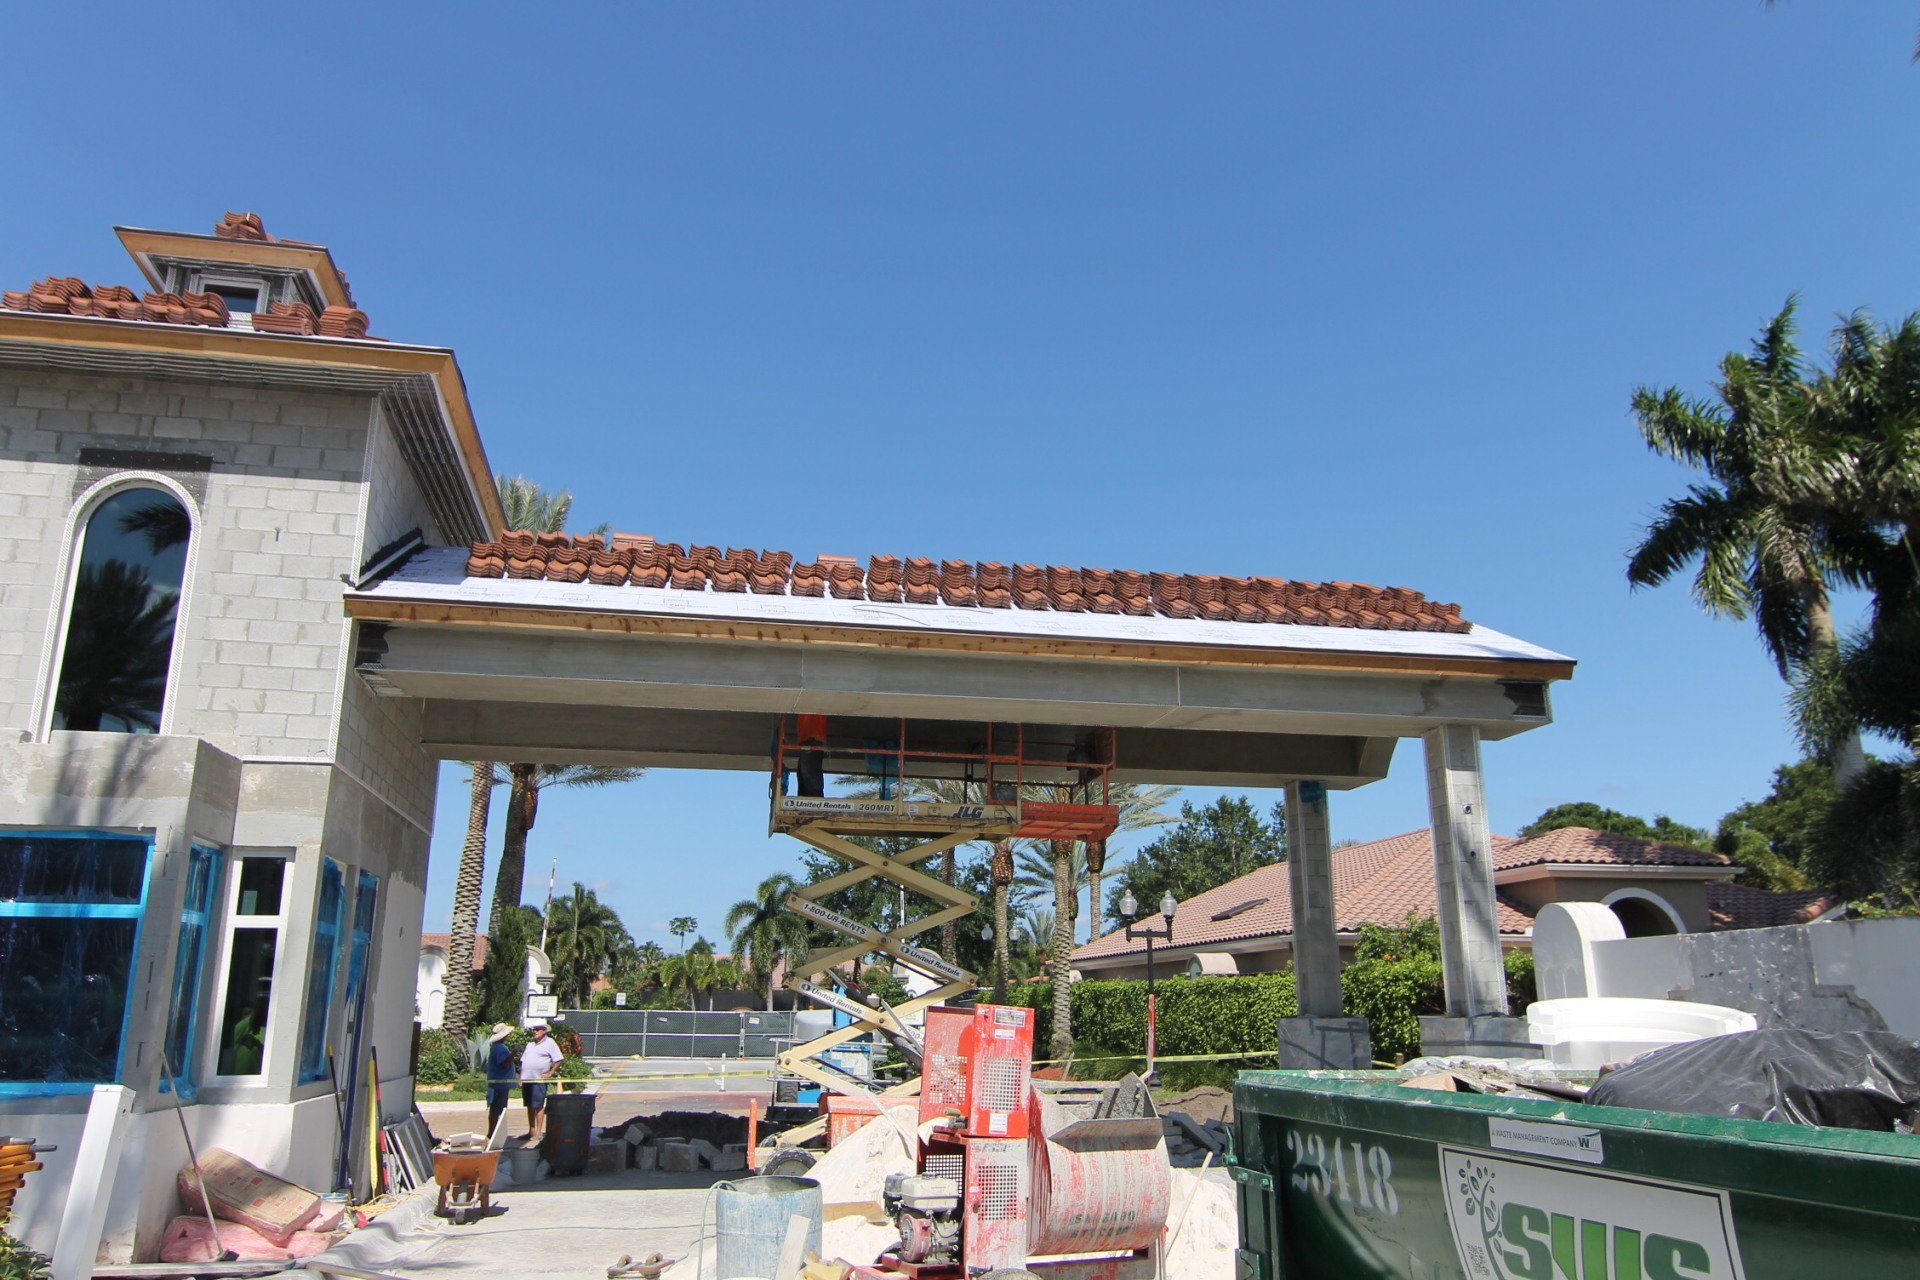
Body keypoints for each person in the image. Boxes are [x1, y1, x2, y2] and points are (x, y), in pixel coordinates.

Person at [518, 1021, 565, 1146]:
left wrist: (551, 1072)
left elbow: (559, 1059)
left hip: (539, 1079)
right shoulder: (530, 1045)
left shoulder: (550, 1043)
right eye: (534, 1029)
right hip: (528, 1079)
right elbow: (523, 1061)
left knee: (538, 1105)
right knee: (529, 1105)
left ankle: (539, 1132)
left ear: (544, 1031)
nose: (535, 1031)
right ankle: (531, 1131)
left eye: (538, 1029)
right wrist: (521, 1077)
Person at [483, 1023, 516, 1143]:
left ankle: (492, 1133)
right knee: (498, 1110)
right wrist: (514, 1053)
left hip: (498, 1084)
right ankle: (493, 1134)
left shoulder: (496, 1047)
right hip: (500, 1085)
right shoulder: (501, 1048)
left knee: (495, 1110)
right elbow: (504, 1063)